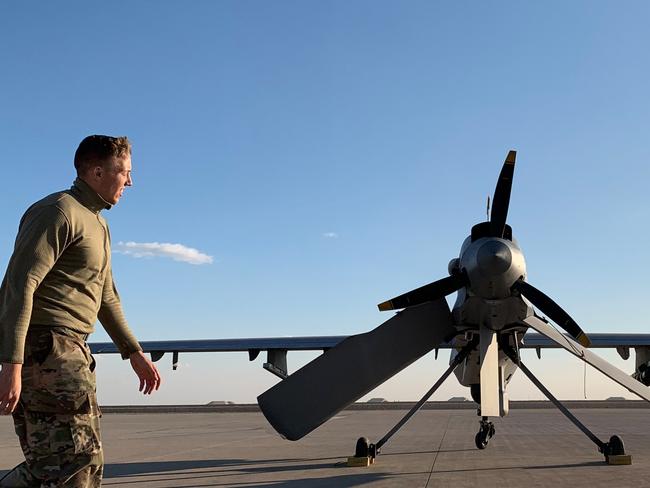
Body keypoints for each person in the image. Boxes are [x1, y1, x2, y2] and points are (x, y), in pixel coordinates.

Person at [0, 135, 162, 487]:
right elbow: (19, 285)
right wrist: (11, 364)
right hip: (48, 349)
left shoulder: (99, 224)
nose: (130, 182)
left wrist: (134, 352)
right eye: (125, 172)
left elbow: (106, 297)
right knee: (78, 465)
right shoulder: (58, 211)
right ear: (98, 171)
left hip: (70, 349)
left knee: (56, 466)